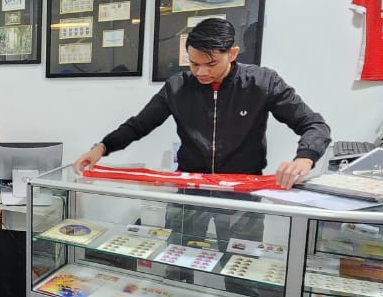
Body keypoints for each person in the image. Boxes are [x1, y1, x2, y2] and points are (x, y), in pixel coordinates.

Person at [71, 18, 330, 250]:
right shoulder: (178, 87)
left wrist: (304, 158)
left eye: (211, 64)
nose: (201, 72)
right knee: (178, 259)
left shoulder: (262, 83)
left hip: (242, 195)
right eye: (194, 63)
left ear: (232, 53)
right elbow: (138, 125)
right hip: (189, 191)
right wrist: (101, 148)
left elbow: (315, 125)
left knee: (241, 266)